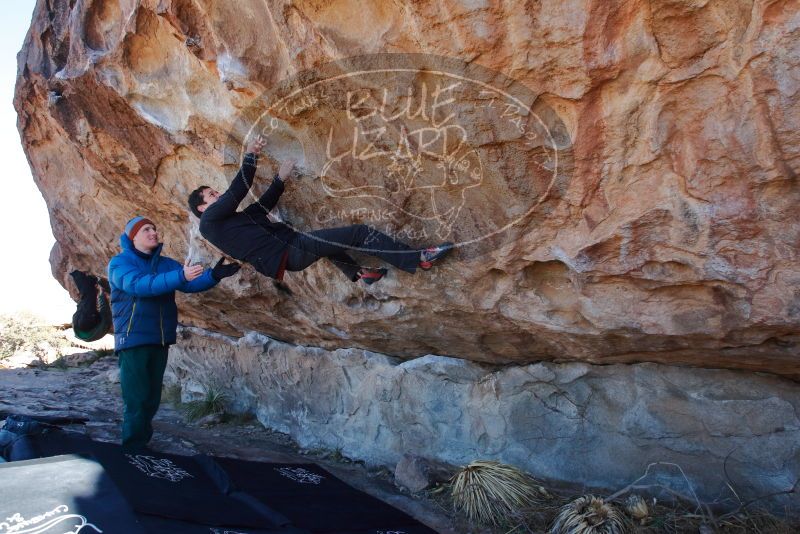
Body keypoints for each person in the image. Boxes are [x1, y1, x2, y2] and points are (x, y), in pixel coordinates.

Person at [187, 136, 453, 286]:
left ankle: (359, 274)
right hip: (288, 253)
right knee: (358, 233)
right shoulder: (209, 222)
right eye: (212, 195)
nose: (218, 195)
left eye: (215, 192)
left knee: (327, 242)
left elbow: (260, 208)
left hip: (290, 252)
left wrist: (280, 180)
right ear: (202, 207)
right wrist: (250, 155)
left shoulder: (234, 222)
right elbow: (236, 192)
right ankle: (417, 258)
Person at [107, 216, 240, 449]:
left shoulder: (165, 263)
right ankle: (132, 448)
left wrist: (214, 275)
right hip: (133, 338)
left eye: (154, 228)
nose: (153, 233)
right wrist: (181, 276)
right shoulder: (120, 263)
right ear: (133, 236)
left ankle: (141, 444)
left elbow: (188, 284)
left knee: (151, 399)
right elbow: (139, 285)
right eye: (146, 229)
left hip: (160, 338)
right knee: (136, 398)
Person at [69, 270, 112, 342]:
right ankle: (88, 279)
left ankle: (78, 274)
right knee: (88, 297)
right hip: (81, 323)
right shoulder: (103, 323)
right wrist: (101, 294)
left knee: (88, 296)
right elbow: (104, 310)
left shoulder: (102, 325)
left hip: (84, 323)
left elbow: (104, 308)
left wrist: (101, 293)